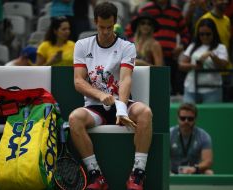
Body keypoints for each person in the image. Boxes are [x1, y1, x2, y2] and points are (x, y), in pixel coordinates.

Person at [69, 2, 153, 190]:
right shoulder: (82, 45)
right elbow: (78, 82)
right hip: (94, 108)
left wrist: (121, 109)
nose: (105, 32)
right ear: (95, 23)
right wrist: (100, 95)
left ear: (115, 23)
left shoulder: (127, 46)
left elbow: (125, 80)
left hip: (122, 103)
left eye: (109, 27)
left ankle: (137, 174)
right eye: (101, 27)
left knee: (145, 113)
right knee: (74, 119)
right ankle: (95, 175)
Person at [126, 0, 190, 95]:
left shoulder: (154, 44)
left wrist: (142, 63)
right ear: (138, 25)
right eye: (143, 23)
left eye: (149, 24)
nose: (146, 26)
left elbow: (159, 70)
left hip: (148, 83)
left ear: (152, 27)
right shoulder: (132, 43)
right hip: (132, 81)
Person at [179, 18, 229, 103]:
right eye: (201, 34)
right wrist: (195, 66)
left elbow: (223, 65)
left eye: (208, 34)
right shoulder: (193, 46)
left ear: (214, 33)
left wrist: (211, 55)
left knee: (211, 115)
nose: (205, 37)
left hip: (212, 89)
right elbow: (181, 65)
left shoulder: (220, 47)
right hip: (191, 87)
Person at [170, 103, 214, 175]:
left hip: (195, 171)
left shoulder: (203, 136)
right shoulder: (170, 134)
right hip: (173, 172)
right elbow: (163, 159)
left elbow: (208, 161)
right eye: (183, 118)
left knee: (209, 172)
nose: (186, 121)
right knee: (165, 173)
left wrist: (195, 168)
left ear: (195, 119)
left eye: (190, 119)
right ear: (178, 118)